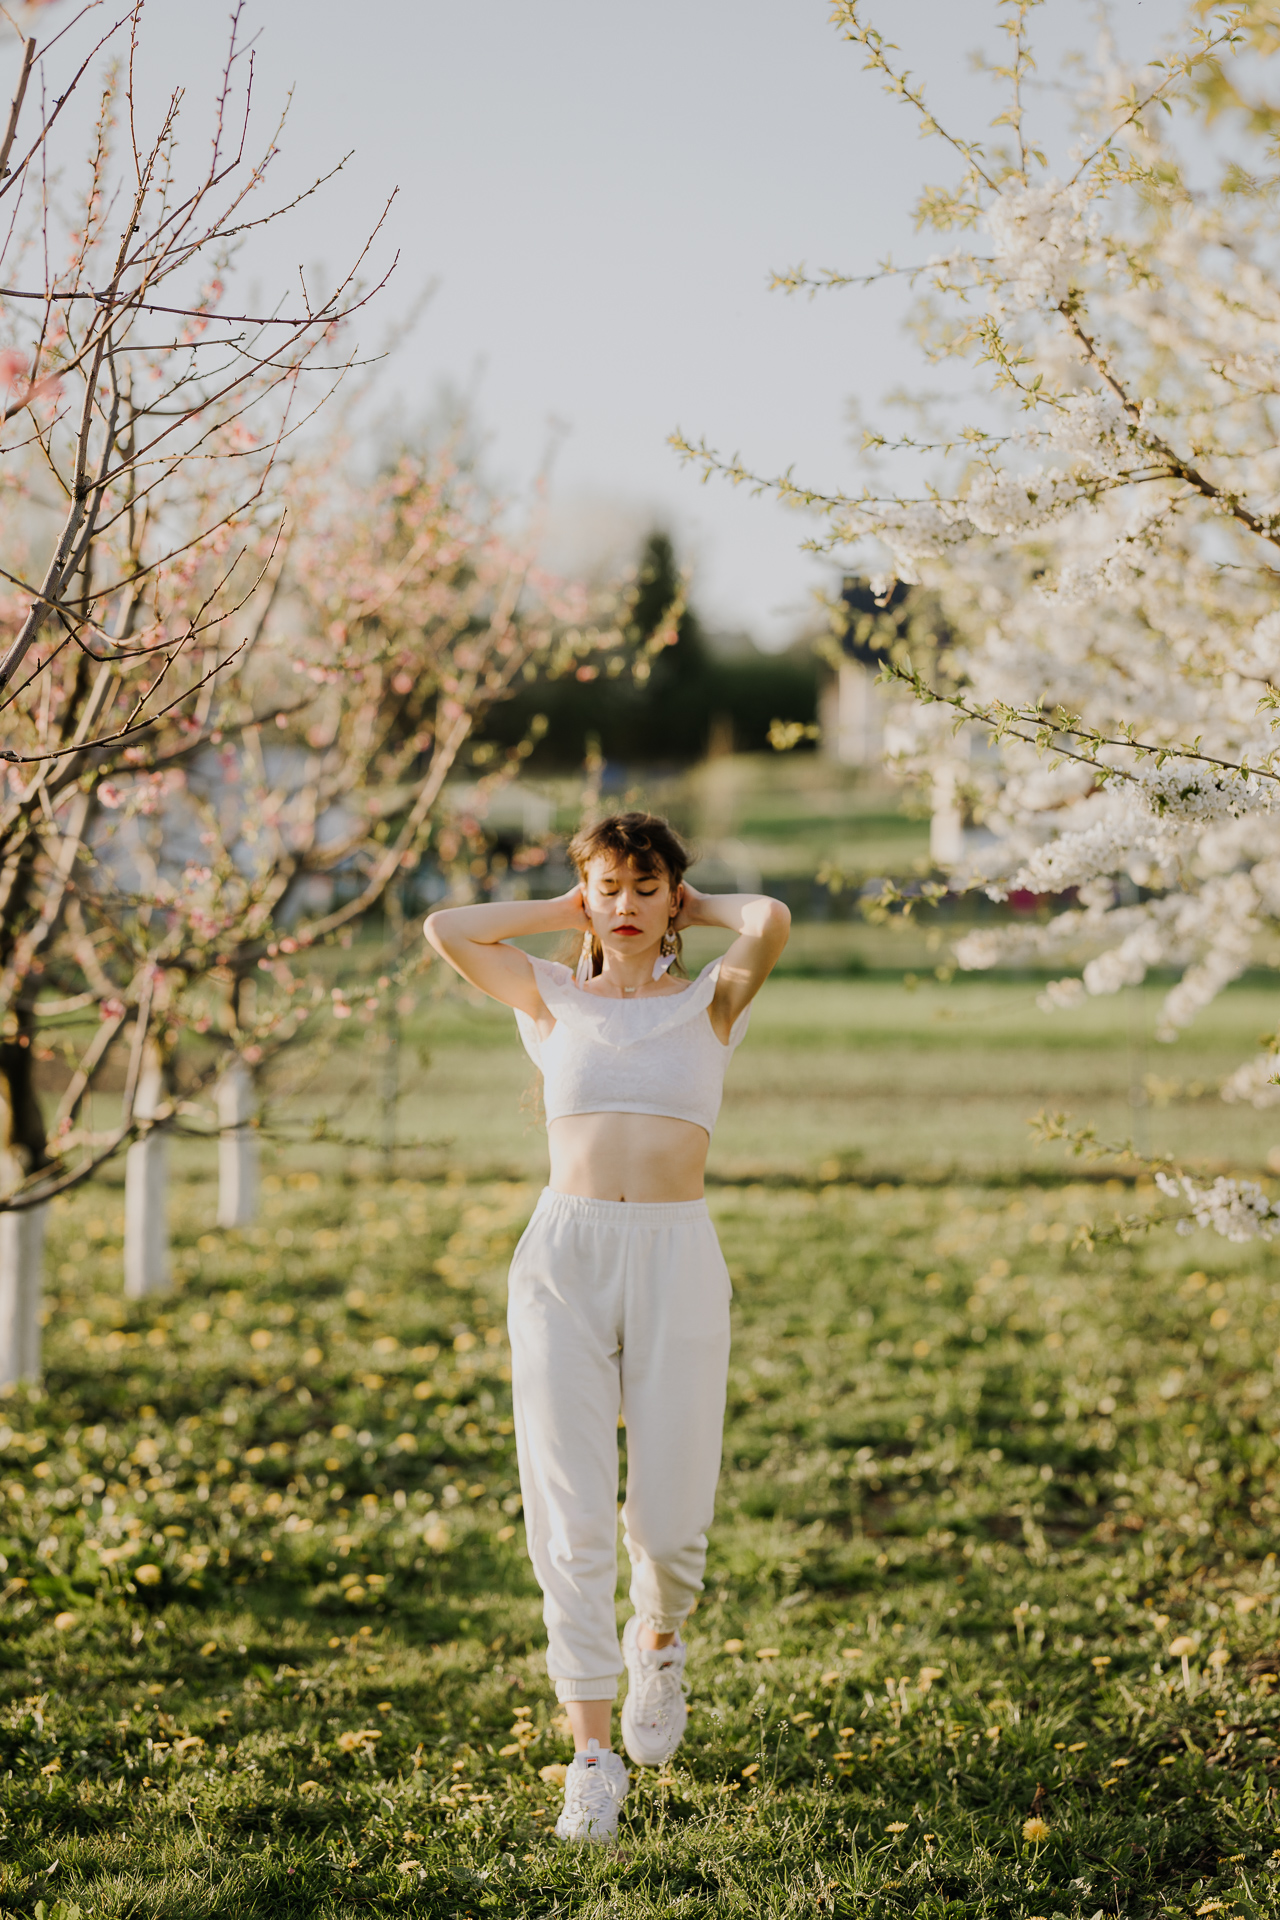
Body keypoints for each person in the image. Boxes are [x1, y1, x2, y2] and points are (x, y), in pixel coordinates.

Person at [424, 811, 789, 1843]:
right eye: (607, 887)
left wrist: (691, 905)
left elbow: (768, 918)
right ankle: (589, 1755)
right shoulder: (545, 997)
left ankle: (659, 1641)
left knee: (669, 1525)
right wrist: (564, 907)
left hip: (676, 1258)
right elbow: (449, 928)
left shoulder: (711, 1003)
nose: (624, 906)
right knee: (570, 1518)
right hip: (563, 1261)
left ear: (674, 895)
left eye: (645, 885)